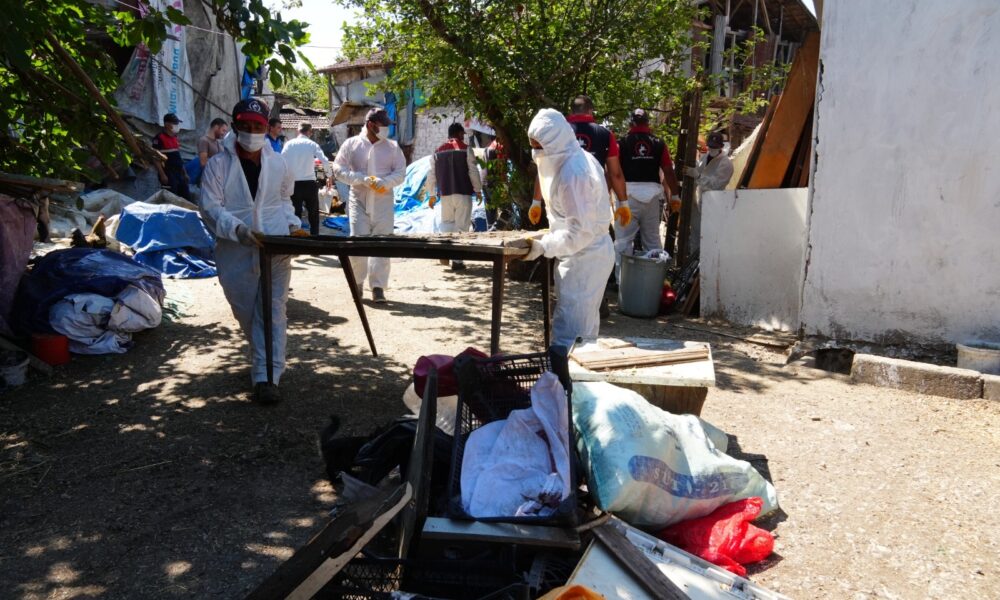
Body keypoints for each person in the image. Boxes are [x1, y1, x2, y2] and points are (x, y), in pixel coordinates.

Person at [198, 98, 308, 405]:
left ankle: (267, 377)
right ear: (235, 127)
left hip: (275, 245)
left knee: (273, 310)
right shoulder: (218, 165)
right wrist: (238, 230)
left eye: (257, 126)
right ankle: (262, 356)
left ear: (265, 128)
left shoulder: (278, 163)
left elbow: (284, 200)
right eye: (245, 126)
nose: (251, 132)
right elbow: (209, 207)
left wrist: (291, 225)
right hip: (235, 249)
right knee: (246, 311)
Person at [520, 108, 615, 348]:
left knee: (571, 336)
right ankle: (570, 371)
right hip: (580, 255)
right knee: (581, 333)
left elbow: (580, 232)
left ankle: (565, 373)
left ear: (554, 142)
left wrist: (544, 246)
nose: (536, 152)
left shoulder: (574, 173)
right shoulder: (574, 159)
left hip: (586, 257)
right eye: (533, 146)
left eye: (539, 146)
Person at [332, 107, 406, 303]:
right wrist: (359, 178)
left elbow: (400, 173)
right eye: (383, 125)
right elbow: (338, 169)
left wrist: (385, 182)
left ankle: (378, 286)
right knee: (358, 243)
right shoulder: (352, 144)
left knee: (383, 244)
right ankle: (357, 282)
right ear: (371, 125)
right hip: (359, 201)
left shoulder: (392, 147)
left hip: (383, 203)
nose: (386, 129)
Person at [528, 95, 628, 226]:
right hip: (596, 203)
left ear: (572, 111)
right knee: (598, 236)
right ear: (590, 111)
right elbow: (615, 174)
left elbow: (545, 169)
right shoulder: (605, 134)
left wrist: (536, 202)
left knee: (564, 235)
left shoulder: (558, 133)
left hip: (563, 203)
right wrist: (623, 202)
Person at [614, 108, 681, 282]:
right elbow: (668, 171)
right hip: (652, 198)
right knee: (652, 242)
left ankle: (622, 283)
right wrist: (675, 196)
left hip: (627, 197)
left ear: (631, 123)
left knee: (623, 242)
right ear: (648, 123)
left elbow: (614, 172)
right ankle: (656, 282)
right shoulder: (658, 143)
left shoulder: (622, 143)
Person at [424, 122, 483, 270]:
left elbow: (431, 174)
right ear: (459, 133)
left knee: (447, 224)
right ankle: (457, 261)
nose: (463, 137)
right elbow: (473, 171)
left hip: (445, 195)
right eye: (462, 134)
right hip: (463, 193)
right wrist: (478, 189)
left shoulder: (437, 151)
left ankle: (445, 252)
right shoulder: (466, 149)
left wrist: (431, 195)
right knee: (462, 226)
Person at [683, 131, 734, 256]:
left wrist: (697, 176)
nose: (712, 149)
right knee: (695, 235)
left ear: (721, 146)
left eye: (715, 147)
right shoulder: (704, 158)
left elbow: (716, 185)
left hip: (713, 204)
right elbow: (696, 174)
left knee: (708, 238)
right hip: (698, 202)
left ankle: (706, 264)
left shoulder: (726, 164)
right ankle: (694, 265)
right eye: (710, 146)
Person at [282, 122, 333, 235]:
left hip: (294, 184)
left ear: (298, 131)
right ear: (310, 132)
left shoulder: (289, 144)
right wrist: (329, 176)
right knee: (313, 213)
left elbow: (282, 161)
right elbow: (324, 160)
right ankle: (315, 237)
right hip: (310, 184)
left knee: (295, 213)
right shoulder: (312, 144)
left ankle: (296, 238)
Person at [152, 113, 191, 200]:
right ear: (166, 124)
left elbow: (178, 157)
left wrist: (184, 173)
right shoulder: (159, 138)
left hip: (179, 173)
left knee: (186, 197)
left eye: (177, 123)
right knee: (171, 198)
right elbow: (155, 158)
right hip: (168, 173)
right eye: (174, 123)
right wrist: (162, 174)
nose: (177, 125)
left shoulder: (175, 137)